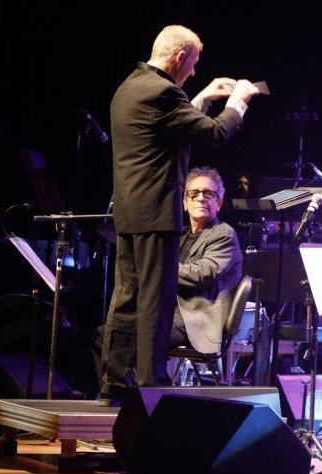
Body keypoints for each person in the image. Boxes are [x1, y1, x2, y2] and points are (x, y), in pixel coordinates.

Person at [100, 25, 259, 405]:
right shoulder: (163, 93)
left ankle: (114, 385)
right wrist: (238, 100)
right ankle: (153, 391)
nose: (192, 74)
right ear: (179, 58)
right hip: (156, 216)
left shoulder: (130, 87)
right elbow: (216, 133)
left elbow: (173, 122)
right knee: (155, 303)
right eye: (193, 67)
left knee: (126, 301)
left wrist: (202, 96)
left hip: (130, 213)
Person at [170, 167, 243, 357]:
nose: (200, 198)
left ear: (218, 203)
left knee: (140, 334)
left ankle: (152, 384)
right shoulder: (179, 235)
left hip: (197, 320)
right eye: (194, 193)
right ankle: (118, 387)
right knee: (106, 334)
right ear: (185, 203)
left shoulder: (224, 234)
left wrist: (160, 269)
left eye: (208, 193)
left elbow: (202, 274)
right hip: (170, 314)